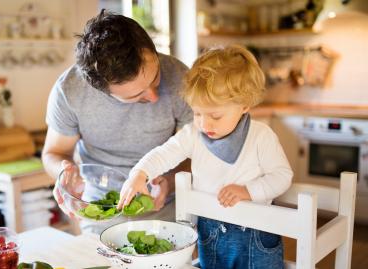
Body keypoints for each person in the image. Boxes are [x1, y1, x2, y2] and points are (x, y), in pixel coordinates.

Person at [118, 45, 293, 269]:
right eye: (198, 113)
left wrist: (248, 191)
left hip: (255, 235)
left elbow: (282, 176)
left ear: (244, 105)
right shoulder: (193, 134)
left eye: (215, 115)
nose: (204, 123)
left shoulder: (261, 136)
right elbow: (164, 154)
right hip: (210, 234)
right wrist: (139, 174)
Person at [42, 10, 192, 234]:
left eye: (155, 78)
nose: (154, 97)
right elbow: (54, 153)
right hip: (102, 212)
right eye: (136, 96)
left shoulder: (180, 76)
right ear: (101, 90)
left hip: (169, 209)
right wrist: (64, 173)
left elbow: (199, 150)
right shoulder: (70, 90)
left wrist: (169, 182)